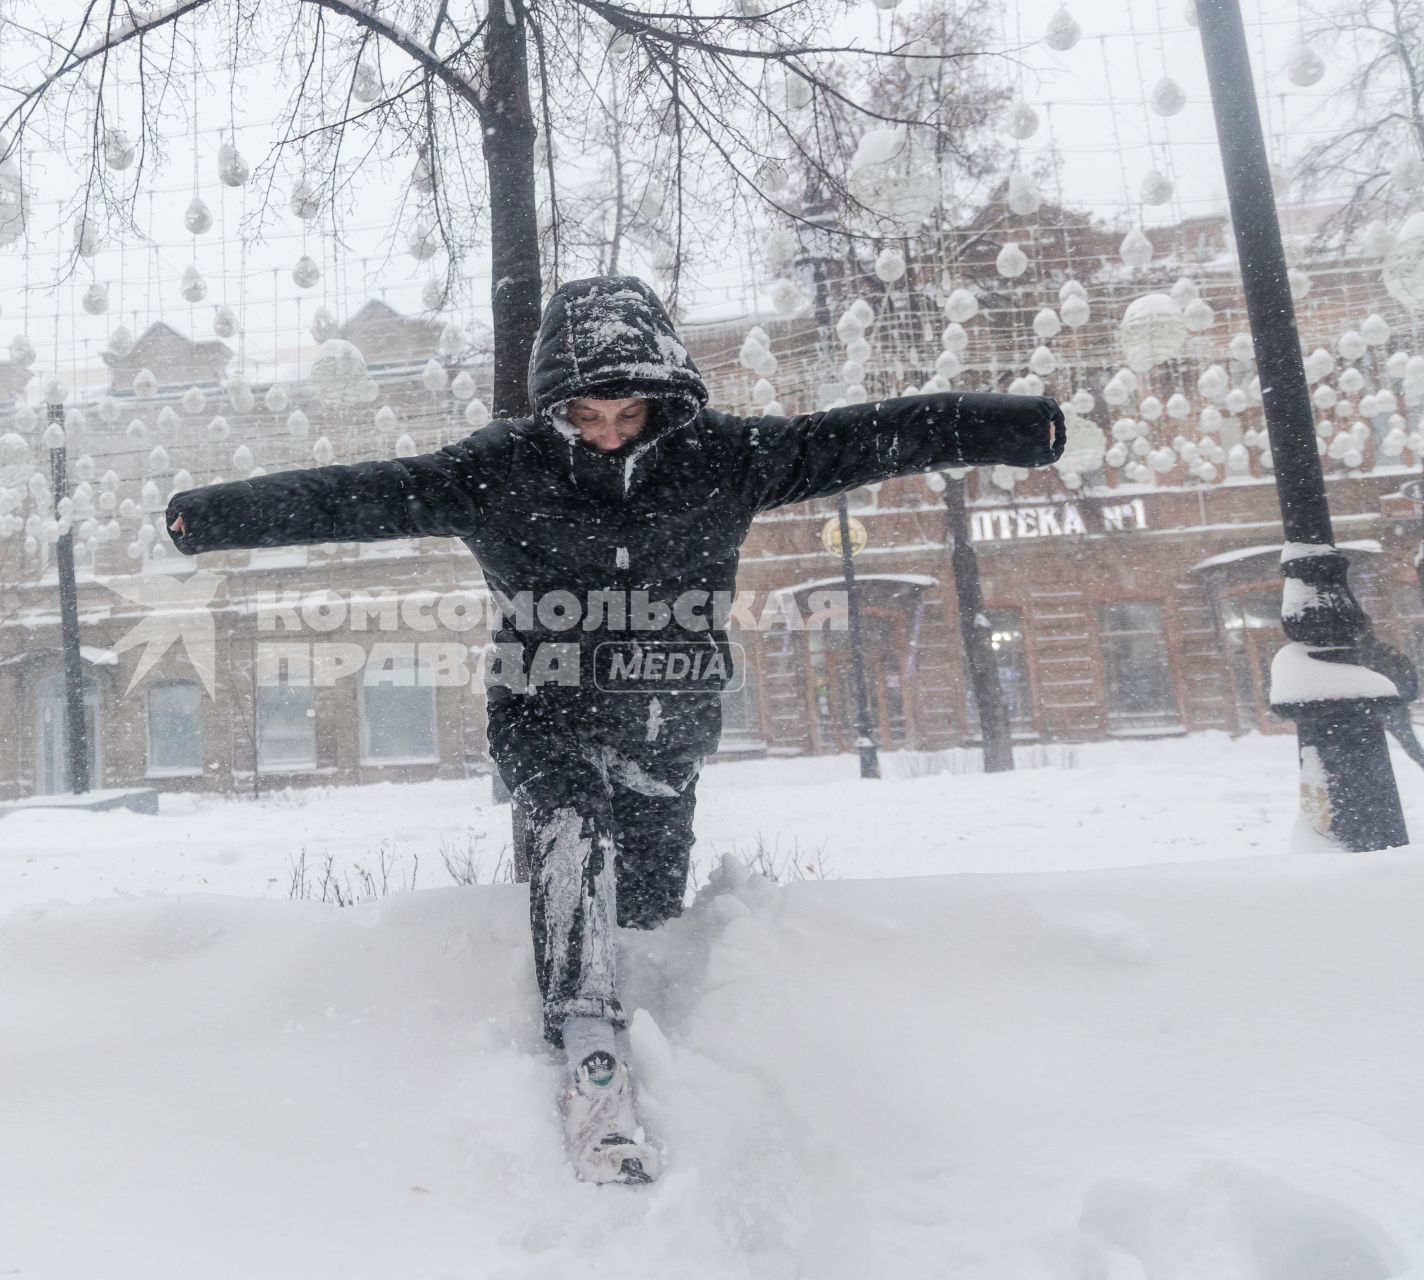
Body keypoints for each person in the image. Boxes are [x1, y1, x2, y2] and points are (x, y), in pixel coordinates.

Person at [167, 275, 1063, 1184]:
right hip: (542, 714)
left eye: (625, 413)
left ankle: (657, 1033)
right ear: (554, 405)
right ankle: (587, 1039)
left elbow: (872, 437)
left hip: (667, 729)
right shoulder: (498, 469)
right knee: (570, 828)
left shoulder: (728, 459)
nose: (605, 431)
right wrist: (211, 518)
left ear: (661, 400)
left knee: (642, 912)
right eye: (584, 415)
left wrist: (1014, 428)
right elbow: (357, 496)